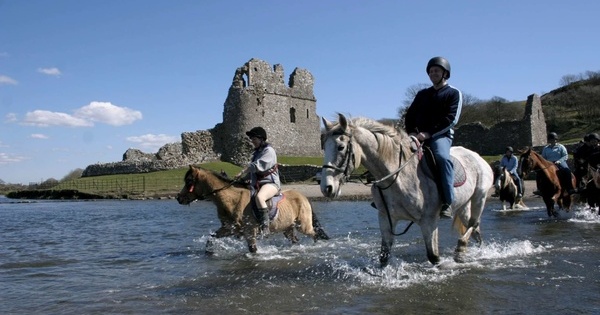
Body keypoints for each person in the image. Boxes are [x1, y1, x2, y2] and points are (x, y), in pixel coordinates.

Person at [404, 56, 462, 219]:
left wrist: (429, 133)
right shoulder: (422, 94)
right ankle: (388, 195)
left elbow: (451, 119)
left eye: (436, 70)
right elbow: (410, 115)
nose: (433, 73)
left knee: (442, 158)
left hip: (440, 135)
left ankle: (447, 202)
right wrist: (413, 132)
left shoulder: (453, 93)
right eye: (430, 71)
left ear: (445, 73)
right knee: (397, 153)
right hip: (417, 135)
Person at [235, 127, 281, 235]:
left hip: (270, 183)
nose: (252, 141)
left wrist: (243, 171)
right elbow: (253, 173)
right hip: (257, 184)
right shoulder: (256, 153)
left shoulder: (269, 151)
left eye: (254, 138)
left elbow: (258, 166)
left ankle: (265, 226)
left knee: (260, 197)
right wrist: (242, 179)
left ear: (261, 139)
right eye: (251, 139)